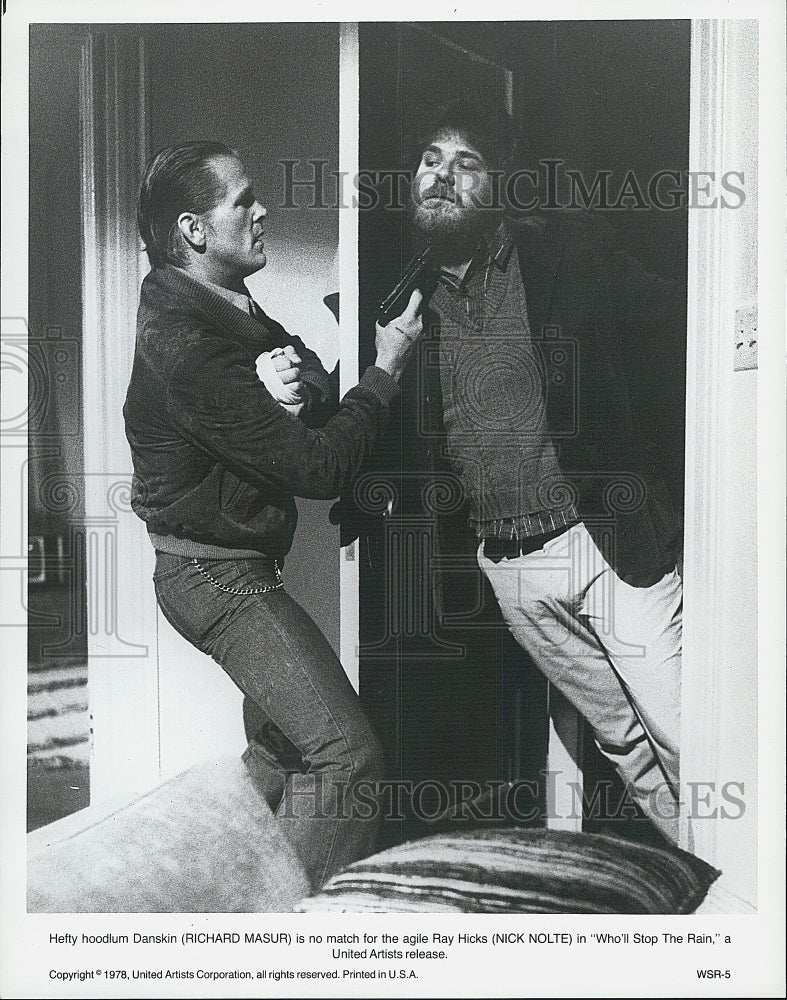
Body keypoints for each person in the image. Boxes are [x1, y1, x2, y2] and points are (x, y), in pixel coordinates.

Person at [123, 141, 422, 889]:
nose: (262, 211)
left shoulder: (218, 305)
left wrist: (296, 388)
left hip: (221, 568)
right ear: (194, 229)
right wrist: (384, 374)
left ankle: (195, 901)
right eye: (242, 201)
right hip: (214, 578)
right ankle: (277, 944)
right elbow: (317, 469)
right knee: (347, 758)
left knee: (283, 753)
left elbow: (306, 373)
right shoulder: (189, 344)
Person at [404, 99, 686, 843]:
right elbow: (375, 418)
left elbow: (680, 314)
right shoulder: (400, 301)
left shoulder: (565, 256)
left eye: (467, 164)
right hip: (509, 566)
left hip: (603, 539)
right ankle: (707, 882)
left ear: (497, 186)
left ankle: (755, 892)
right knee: (621, 742)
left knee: (685, 735)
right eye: (432, 159)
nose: (443, 177)